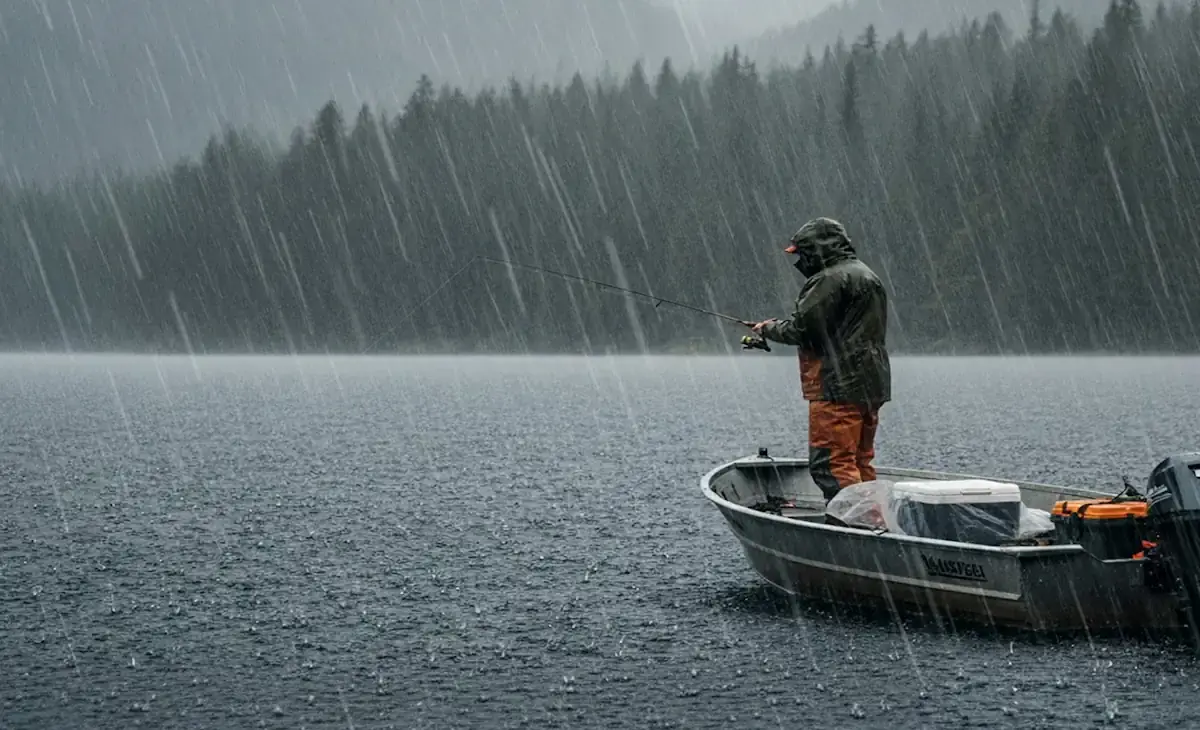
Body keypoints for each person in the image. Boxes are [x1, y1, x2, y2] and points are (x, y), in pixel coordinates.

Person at [746, 217, 891, 501]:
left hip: (838, 386)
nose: (800, 261)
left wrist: (769, 328)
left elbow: (804, 329)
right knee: (859, 462)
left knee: (832, 465)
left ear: (817, 250)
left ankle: (854, 530)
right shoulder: (867, 276)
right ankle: (876, 522)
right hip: (871, 385)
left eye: (801, 253)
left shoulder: (829, 280)